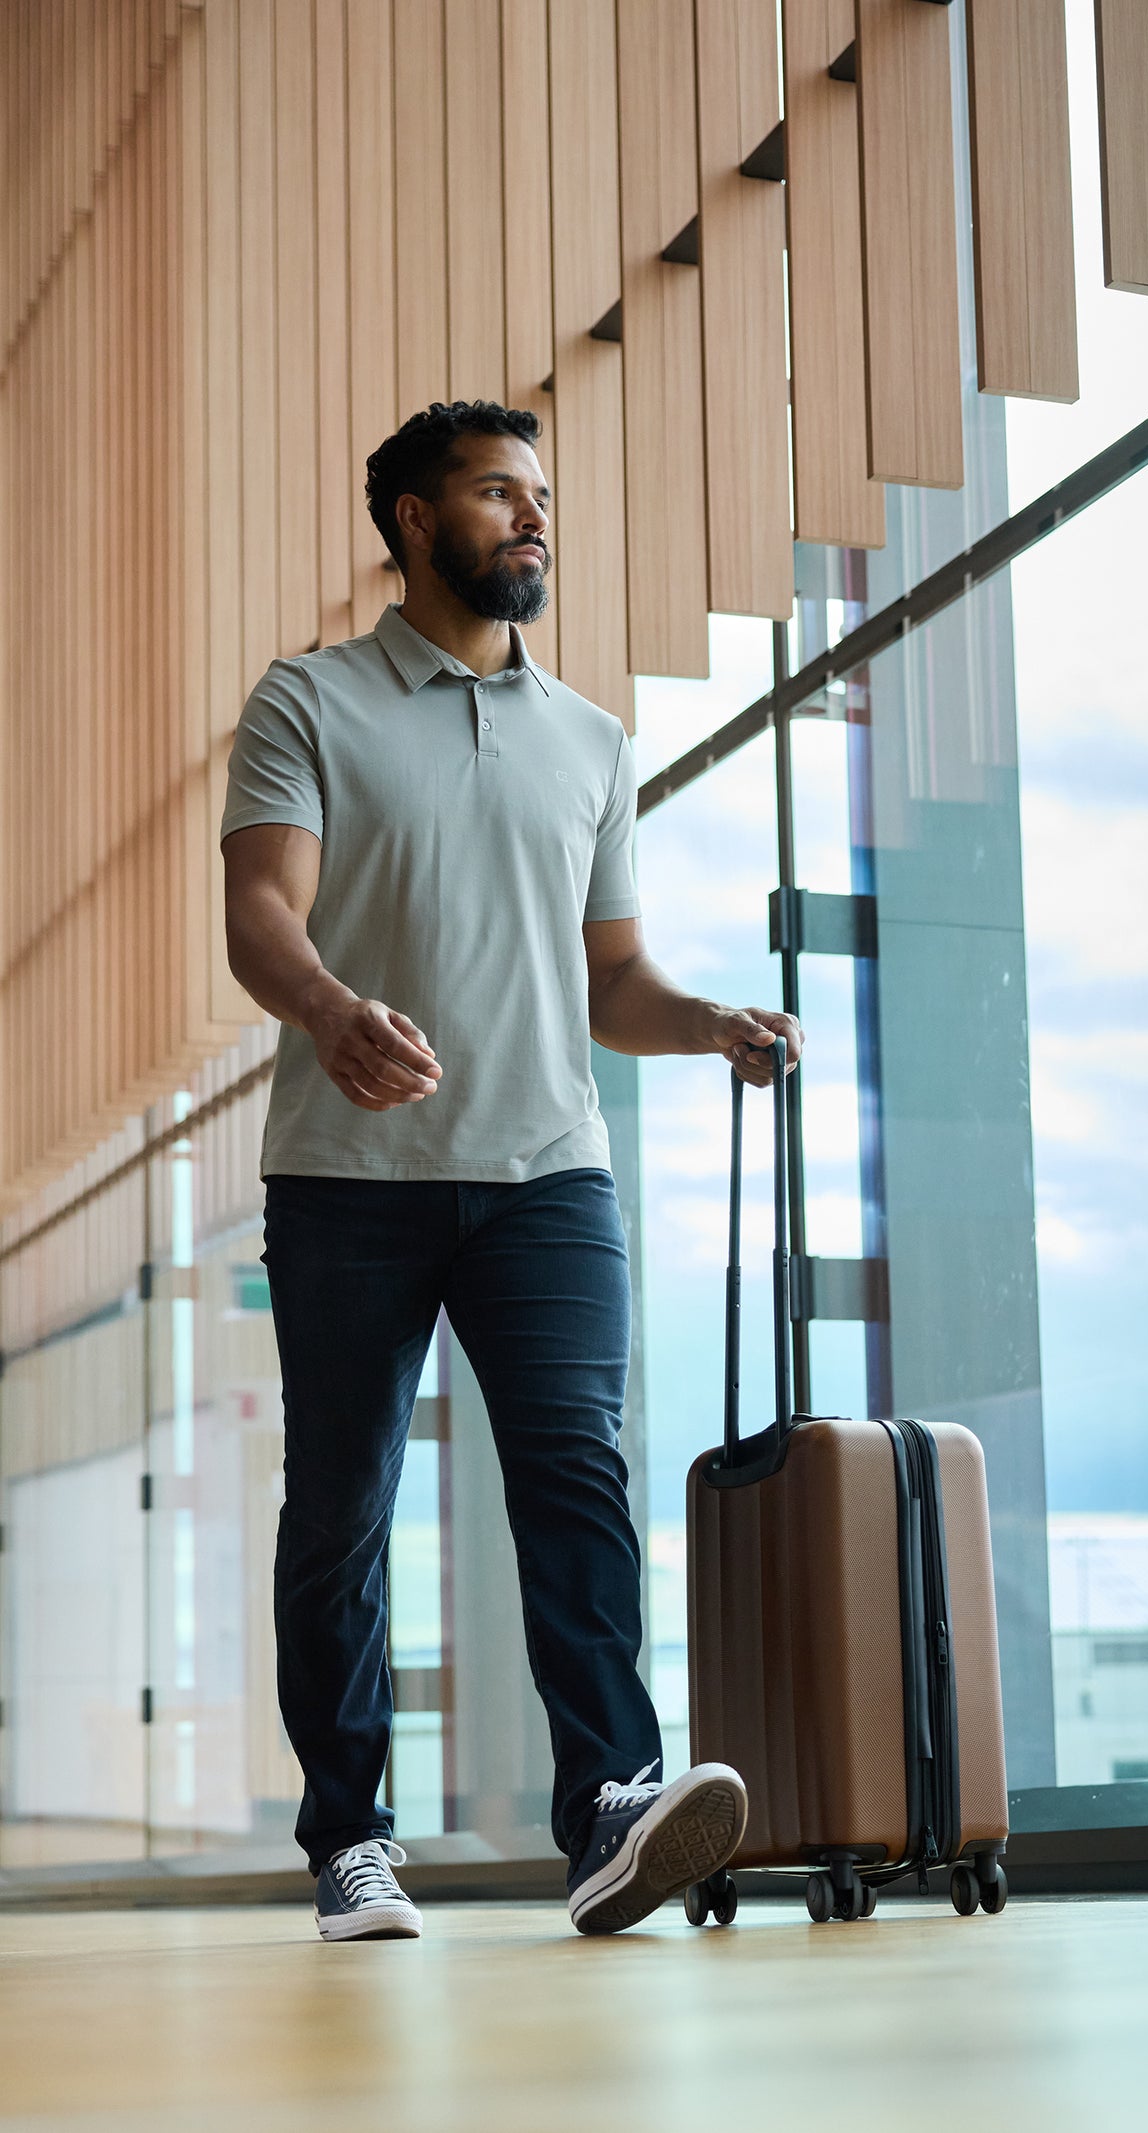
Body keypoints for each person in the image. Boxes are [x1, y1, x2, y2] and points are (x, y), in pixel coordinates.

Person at [221, 398, 801, 1941]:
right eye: (497, 492)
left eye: (539, 495)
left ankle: (612, 1805)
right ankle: (350, 1835)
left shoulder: (593, 740)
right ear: (413, 520)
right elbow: (262, 917)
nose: (531, 517)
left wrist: (709, 1021)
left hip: (551, 1169)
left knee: (574, 1475)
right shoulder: (311, 702)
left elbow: (611, 979)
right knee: (343, 1503)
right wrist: (334, 1011)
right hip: (348, 1175)